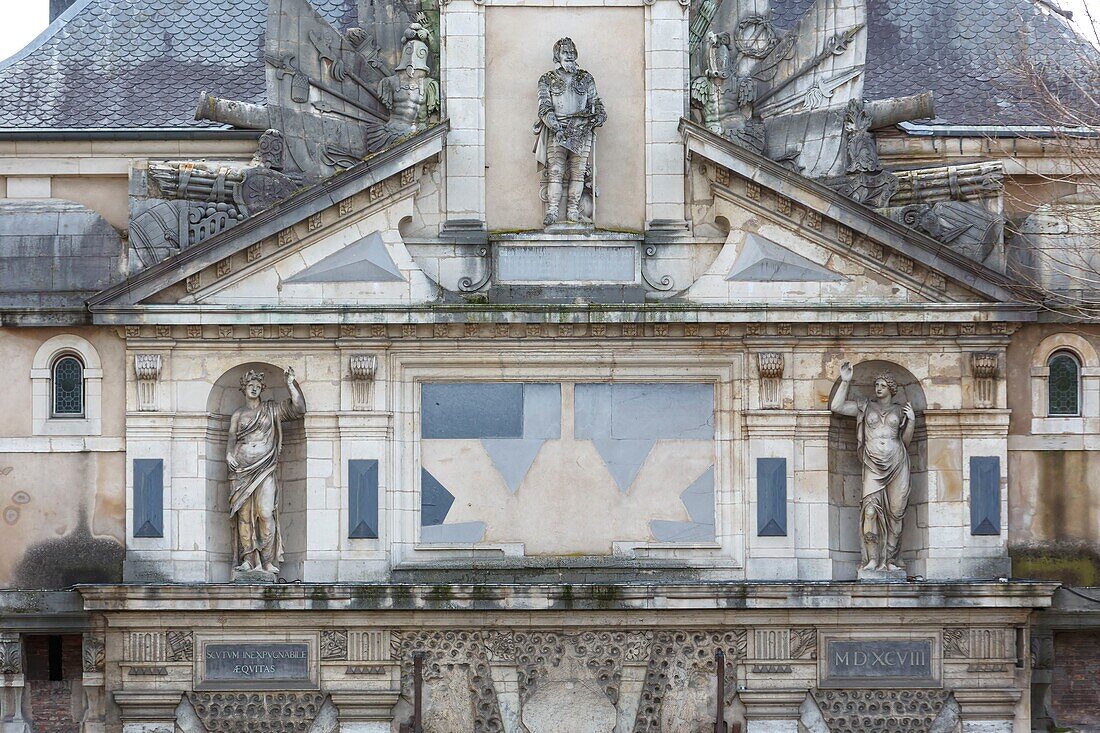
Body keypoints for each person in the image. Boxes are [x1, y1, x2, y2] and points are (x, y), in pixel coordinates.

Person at [829, 362, 916, 572]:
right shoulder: (865, 406)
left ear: (891, 389)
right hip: (873, 464)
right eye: (876, 384)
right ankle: (872, 559)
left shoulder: (900, 410)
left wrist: (911, 421)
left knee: (896, 512)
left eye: (883, 385)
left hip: (897, 463)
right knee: (870, 512)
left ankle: (892, 561)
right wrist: (845, 382)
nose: (878, 388)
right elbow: (836, 407)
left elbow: (905, 442)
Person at [226, 367, 306, 576]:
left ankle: (267, 560)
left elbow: (298, 409)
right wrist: (229, 455)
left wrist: (290, 384)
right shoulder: (238, 414)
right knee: (243, 516)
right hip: (241, 471)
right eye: (250, 385)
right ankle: (248, 559)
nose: (254, 389)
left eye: (257, 386)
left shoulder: (271, 409)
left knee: (265, 513)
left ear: (262, 388)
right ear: (243, 389)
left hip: (265, 468)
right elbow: (231, 439)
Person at [532, 37, 606, 226]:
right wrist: (556, 128)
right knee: (555, 171)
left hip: (582, 132)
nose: (570, 55)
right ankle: (553, 211)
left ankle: (573, 211)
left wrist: (598, 116)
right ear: (558, 55)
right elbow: (544, 108)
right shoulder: (547, 79)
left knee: (578, 173)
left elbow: (596, 103)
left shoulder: (586, 78)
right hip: (558, 131)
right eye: (566, 52)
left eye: (572, 52)